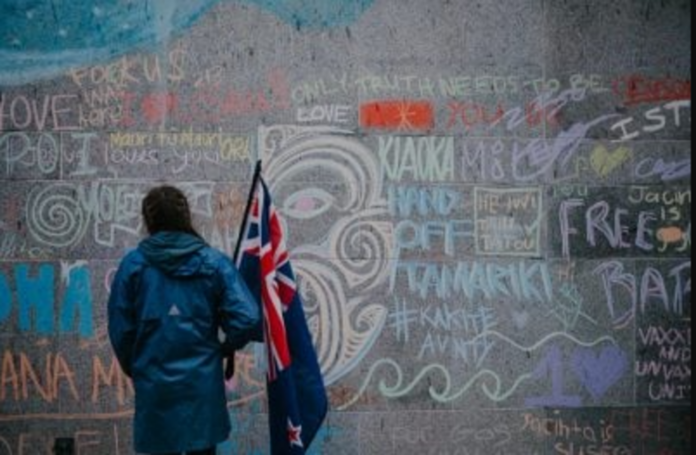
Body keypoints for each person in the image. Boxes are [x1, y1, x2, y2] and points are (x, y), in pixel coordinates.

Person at [108, 185, 260, 455]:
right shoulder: (214, 263)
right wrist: (223, 349)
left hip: (154, 387)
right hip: (202, 389)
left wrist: (138, 367)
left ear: (148, 220)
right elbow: (247, 318)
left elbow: (121, 331)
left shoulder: (133, 266)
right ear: (186, 216)